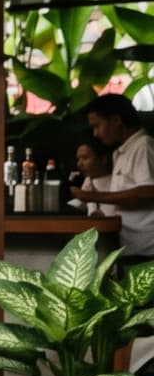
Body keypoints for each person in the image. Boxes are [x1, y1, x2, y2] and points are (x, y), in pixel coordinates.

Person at [86, 94, 154, 259]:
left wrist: (95, 196)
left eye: (97, 126)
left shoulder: (143, 146)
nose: (95, 133)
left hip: (146, 251)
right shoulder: (122, 152)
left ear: (116, 120)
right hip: (129, 247)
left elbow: (148, 192)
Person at [70, 136, 118, 217]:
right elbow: (79, 205)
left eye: (85, 158)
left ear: (103, 159)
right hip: (95, 229)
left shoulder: (118, 181)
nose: (79, 164)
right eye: (78, 159)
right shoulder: (88, 180)